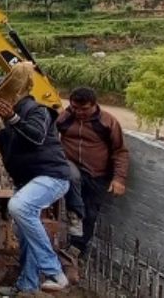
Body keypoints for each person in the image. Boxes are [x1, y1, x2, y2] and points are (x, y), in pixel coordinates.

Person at [0, 71, 72, 295]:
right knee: (25, 232)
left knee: (19, 206)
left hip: (50, 176)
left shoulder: (37, 110)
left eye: (3, 94)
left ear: (18, 93)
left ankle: (55, 272)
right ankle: (27, 285)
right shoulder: (5, 124)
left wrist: (13, 117)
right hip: (26, 181)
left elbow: (36, 137)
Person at [57, 87, 129, 256]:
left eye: (84, 109)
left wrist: (119, 178)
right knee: (69, 208)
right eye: (75, 108)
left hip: (96, 175)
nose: (79, 112)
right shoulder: (65, 118)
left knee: (89, 212)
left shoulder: (107, 122)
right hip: (70, 171)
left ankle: (76, 249)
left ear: (94, 105)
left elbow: (120, 151)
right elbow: (51, 138)